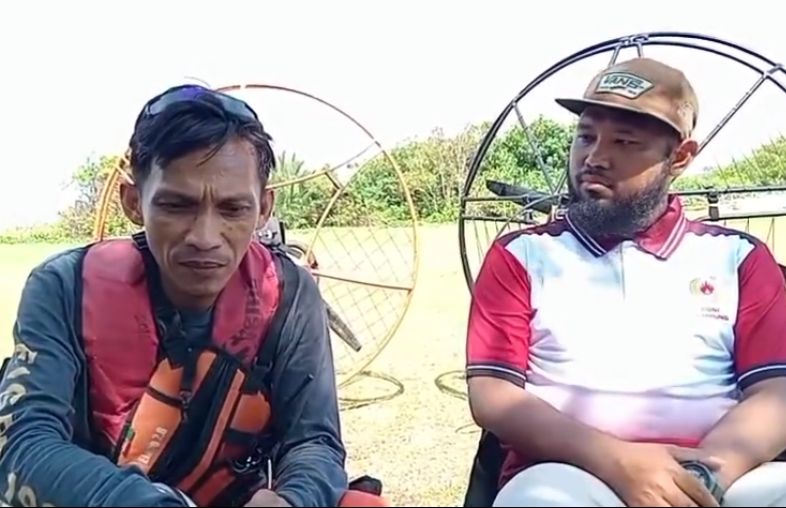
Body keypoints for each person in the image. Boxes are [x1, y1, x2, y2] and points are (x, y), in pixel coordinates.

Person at [0, 85, 387, 507]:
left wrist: (293, 499)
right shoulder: (64, 287)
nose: (205, 237)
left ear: (264, 209)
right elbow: (23, 445)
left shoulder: (290, 294)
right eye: (176, 206)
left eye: (233, 209)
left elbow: (314, 441)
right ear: (133, 202)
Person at [465, 57, 786, 507]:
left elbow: (775, 393)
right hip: (568, 474)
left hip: (718, 475)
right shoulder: (521, 255)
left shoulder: (738, 257)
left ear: (680, 157)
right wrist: (619, 462)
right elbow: (492, 395)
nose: (595, 158)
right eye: (585, 137)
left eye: (624, 142)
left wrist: (696, 482)